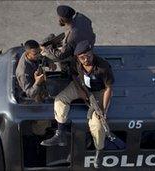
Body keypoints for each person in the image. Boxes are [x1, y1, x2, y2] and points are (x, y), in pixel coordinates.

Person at [40, 40, 114, 168]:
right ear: (78, 57)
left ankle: (99, 151)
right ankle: (60, 133)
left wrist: (103, 110)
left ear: (92, 53)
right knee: (60, 100)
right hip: (80, 86)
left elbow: (109, 89)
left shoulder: (103, 67)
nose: (86, 60)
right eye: (82, 57)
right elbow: (74, 74)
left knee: (97, 126)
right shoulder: (75, 62)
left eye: (89, 56)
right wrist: (79, 90)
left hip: (97, 92)